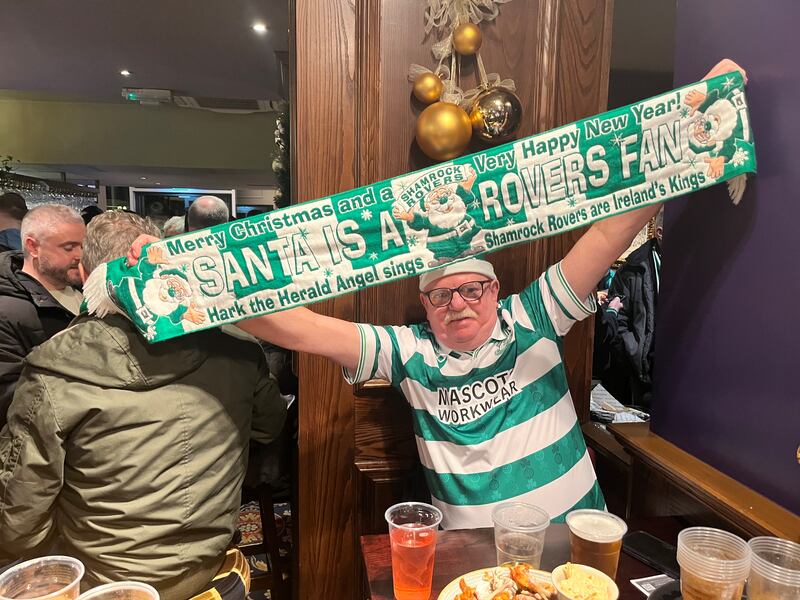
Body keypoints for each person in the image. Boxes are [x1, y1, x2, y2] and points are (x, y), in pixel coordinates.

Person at [127, 59, 744, 529]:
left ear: (495, 290)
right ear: (424, 304)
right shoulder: (409, 352)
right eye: (441, 296)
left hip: (574, 542)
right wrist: (178, 271)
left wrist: (697, 112)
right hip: (468, 561)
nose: (459, 305)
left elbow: (614, 227)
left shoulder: (535, 313)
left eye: (472, 289)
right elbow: (295, 329)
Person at [0, 211, 287, 600]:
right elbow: (271, 425)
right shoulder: (237, 348)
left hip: (105, 585)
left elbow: (19, 520)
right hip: (215, 570)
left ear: (86, 276)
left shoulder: (54, 369)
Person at [0, 205, 85, 426]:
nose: (80, 255)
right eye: (69, 248)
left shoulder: (84, 290)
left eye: (83, 246)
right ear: (33, 247)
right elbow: (12, 399)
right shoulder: (8, 311)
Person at [604, 210, 664, 408]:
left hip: (681, 373)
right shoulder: (633, 269)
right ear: (660, 232)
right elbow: (617, 321)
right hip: (643, 374)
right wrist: (634, 352)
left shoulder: (693, 266)